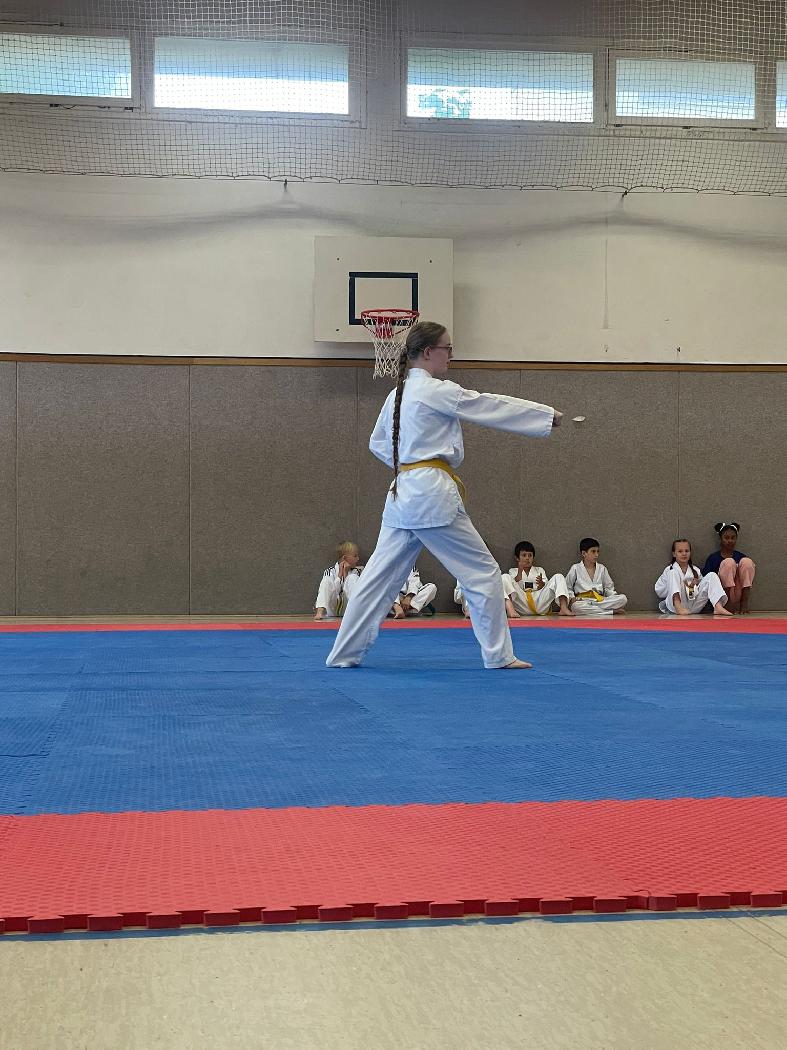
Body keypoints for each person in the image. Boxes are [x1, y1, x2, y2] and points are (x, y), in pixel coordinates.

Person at [325, 321, 562, 669]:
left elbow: (378, 444)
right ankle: (498, 655)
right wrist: (545, 416)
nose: (451, 354)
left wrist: (410, 465)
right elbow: (486, 405)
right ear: (427, 352)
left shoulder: (397, 394)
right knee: (483, 573)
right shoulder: (435, 390)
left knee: (376, 581)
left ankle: (343, 654)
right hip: (431, 495)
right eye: (447, 348)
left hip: (402, 492)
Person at [655, 538, 732, 615]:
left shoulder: (696, 570)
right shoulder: (669, 570)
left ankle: (718, 606)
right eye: (680, 551)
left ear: (690, 553)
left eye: (686, 551)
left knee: (712, 575)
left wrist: (695, 585)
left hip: (694, 606)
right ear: (674, 554)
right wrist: (676, 585)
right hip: (675, 607)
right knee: (673, 573)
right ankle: (678, 605)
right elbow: (659, 591)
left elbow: (703, 589)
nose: (684, 554)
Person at [503, 541, 573, 617]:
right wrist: (520, 571)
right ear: (517, 558)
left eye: (530, 555)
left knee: (558, 576)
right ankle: (510, 609)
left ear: (533, 558)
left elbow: (545, 587)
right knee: (504, 576)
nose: (527, 558)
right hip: (522, 604)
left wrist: (541, 584)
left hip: (540, 602)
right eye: (524, 555)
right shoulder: (513, 571)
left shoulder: (539, 570)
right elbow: (513, 587)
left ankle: (563, 608)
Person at [702, 522, 756, 614]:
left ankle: (744, 602)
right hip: (721, 594)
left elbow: (746, 577)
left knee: (747, 562)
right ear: (721, 539)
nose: (730, 541)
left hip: (738, 592)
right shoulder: (713, 558)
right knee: (728, 562)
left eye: (732, 538)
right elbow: (706, 579)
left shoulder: (741, 556)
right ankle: (727, 603)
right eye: (726, 538)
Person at [565, 538, 627, 616]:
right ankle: (611, 612)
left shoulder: (602, 568)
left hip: (600, 600)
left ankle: (596, 610)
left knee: (623, 599)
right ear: (584, 553)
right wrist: (572, 598)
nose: (596, 555)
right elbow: (568, 587)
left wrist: (612, 598)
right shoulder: (575, 568)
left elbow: (608, 588)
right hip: (583, 601)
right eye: (593, 551)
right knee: (576, 607)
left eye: (598, 551)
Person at [314, 541, 363, 620]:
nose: (358, 559)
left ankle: (359, 612)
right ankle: (320, 612)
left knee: (352, 577)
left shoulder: (358, 570)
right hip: (332, 608)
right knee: (326, 580)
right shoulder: (330, 571)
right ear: (344, 558)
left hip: (349, 609)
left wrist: (346, 574)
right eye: (355, 556)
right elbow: (334, 591)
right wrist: (339, 575)